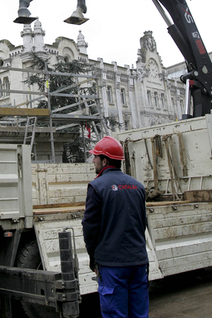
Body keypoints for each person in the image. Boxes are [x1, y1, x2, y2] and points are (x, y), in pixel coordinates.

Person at [82, 136, 149, 318]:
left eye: (95, 157)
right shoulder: (138, 187)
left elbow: (90, 229)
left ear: (104, 160)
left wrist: (93, 257)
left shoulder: (97, 187)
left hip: (112, 265)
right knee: (139, 313)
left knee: (115, 314)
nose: (93, 160)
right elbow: (142, 224)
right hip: (138, 261)